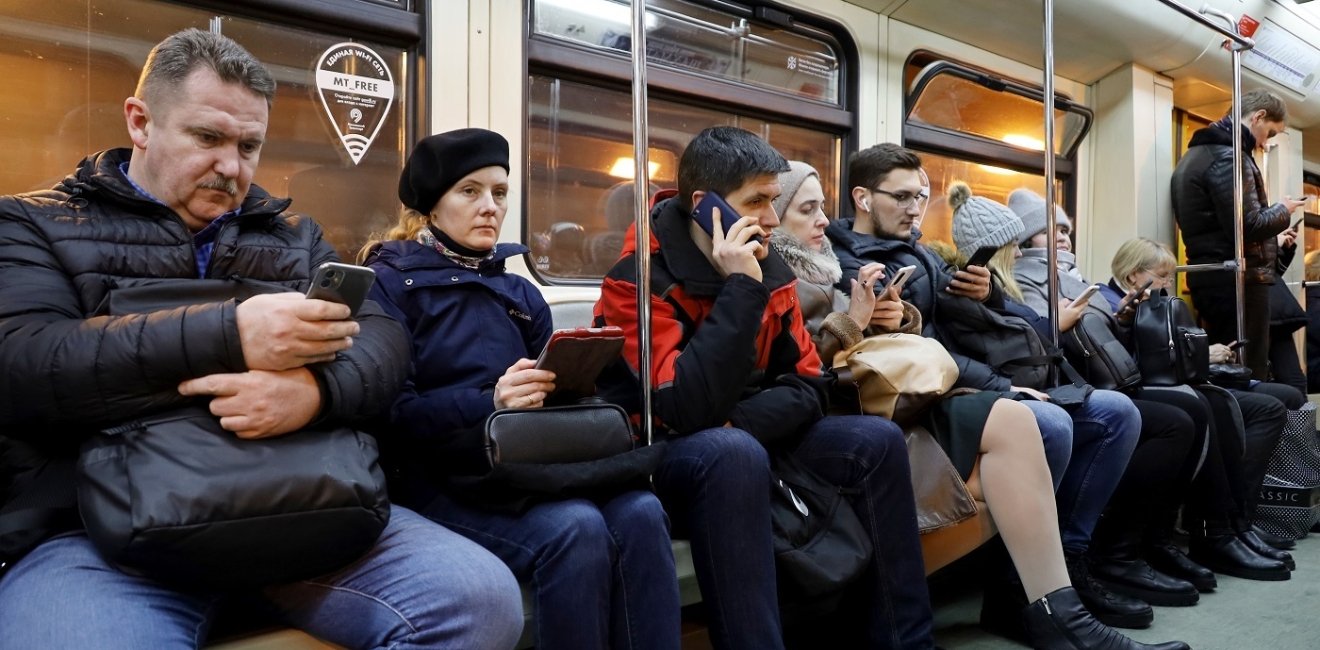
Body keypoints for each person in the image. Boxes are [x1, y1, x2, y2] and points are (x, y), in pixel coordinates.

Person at [0, 29, 523, 649]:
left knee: (479, 600)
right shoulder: (32, 223)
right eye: (208, 138)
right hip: (102, 535)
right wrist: (233, 334)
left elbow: (383, 345)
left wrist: (312, 394)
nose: (232, 167)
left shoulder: (294, 237)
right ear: (140, 123)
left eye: (250, 146)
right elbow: (27, 362)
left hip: (304, 505)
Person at [771, 161, 1161, 650]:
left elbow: (942, 334)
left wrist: (987, 298)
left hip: (928, 381)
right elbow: (816, 360)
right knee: (1045, 425)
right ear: (865, 198)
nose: (916, 207)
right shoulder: (823, 263)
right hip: (883, 400)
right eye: (807, 209)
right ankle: (1033, 594)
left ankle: (1054, 593)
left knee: (1106, 415)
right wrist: (868, 324)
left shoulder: (903, 257)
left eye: (920, 196)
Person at [595, 127, 930, 649]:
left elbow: (809, 385)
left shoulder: (773, 271)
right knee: (729, 452)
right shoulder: (637, 283)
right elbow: (680, 407)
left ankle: (903, 640)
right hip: (668, 458)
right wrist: (742, 289)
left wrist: (741, 419)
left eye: (774, 201)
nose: (773, 220)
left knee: (876, 443)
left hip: (746, 435)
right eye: (757, 202)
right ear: (707, 208)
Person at [361, 128, 681, 650]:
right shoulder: (390, 286)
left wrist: (570, 380)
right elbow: (391, 414)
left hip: (525, 467)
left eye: (500, 193)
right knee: (574, 527)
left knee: (643, 513)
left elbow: (555, 397)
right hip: (437, 476)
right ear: (431, 206)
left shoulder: (518, 291)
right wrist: (492, 401)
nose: (490, 207)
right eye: (470, 191)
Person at [1103, 238, 1296, 578]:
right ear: (1135, 276)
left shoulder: (1158, 305)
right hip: (1142, 388)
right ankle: (1214, 529)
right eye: (1162, 275)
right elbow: (1134, 366)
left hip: (1178, 382)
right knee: (1206, 406)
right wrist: (1203, 356)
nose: (1168, 282)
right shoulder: (1112, 306)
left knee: (1266, 405)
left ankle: (1235, 522)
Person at [1170, 89, 1308, 379]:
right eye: (1270, 133)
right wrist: (1284, 210)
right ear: (1257, 117)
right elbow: (1248, 225)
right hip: (1237, 281)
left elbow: (1226, 224)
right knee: (1249, 367)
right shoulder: (1230, 157)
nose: (1266, 142)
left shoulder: (1198, 155)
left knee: (1236, 365)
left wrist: (1275, 240)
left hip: (1216, 276)